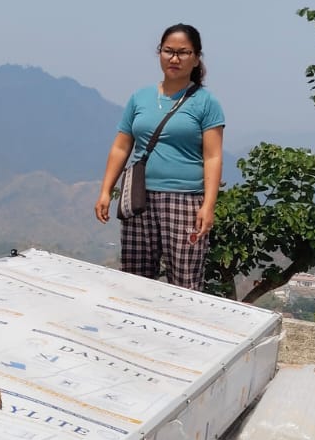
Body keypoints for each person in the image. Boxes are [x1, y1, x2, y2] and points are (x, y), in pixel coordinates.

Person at [94, 23, 225, 291]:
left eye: (183, 52)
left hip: (186, 201)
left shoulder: (205, 102)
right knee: (134, 280)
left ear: (196, 58)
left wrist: (208, 205)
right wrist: (106, 190)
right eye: (168, 51)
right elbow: (121, 146)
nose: (174, 58)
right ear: (159, 54)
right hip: (139, 198)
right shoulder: (140, 98)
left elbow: (213, 157)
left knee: (185, 283)